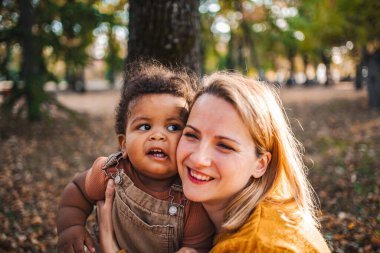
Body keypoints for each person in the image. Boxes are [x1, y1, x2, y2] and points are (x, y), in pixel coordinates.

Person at [98, 71, 331, 252]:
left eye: (225, 145)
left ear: (260, 164)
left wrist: (112, 249)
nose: (199, 158)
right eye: (191, 135)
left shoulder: (261, 245)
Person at [56, 61, 214, 253]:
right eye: (145, 127)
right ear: (124, 144)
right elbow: (77, 191)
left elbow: (198, 244)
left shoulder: (191, 198)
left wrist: (191, 249)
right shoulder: (111, 172)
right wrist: (71, 227)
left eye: (173, 127)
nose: (158, 135)